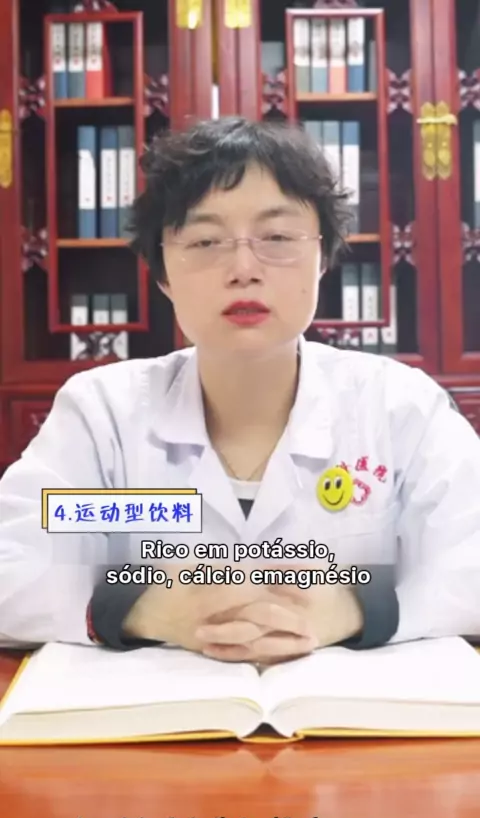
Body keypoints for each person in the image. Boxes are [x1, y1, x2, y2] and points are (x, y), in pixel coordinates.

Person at [0, 117, 479, 666]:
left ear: (323, 258)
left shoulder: (399, 407)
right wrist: (145, 608)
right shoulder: (104, 414)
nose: (243, 269)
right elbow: (13, 564)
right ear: (162, 273)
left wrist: (357, 607)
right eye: (205, 241)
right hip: (157, 713)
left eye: (277, 238)